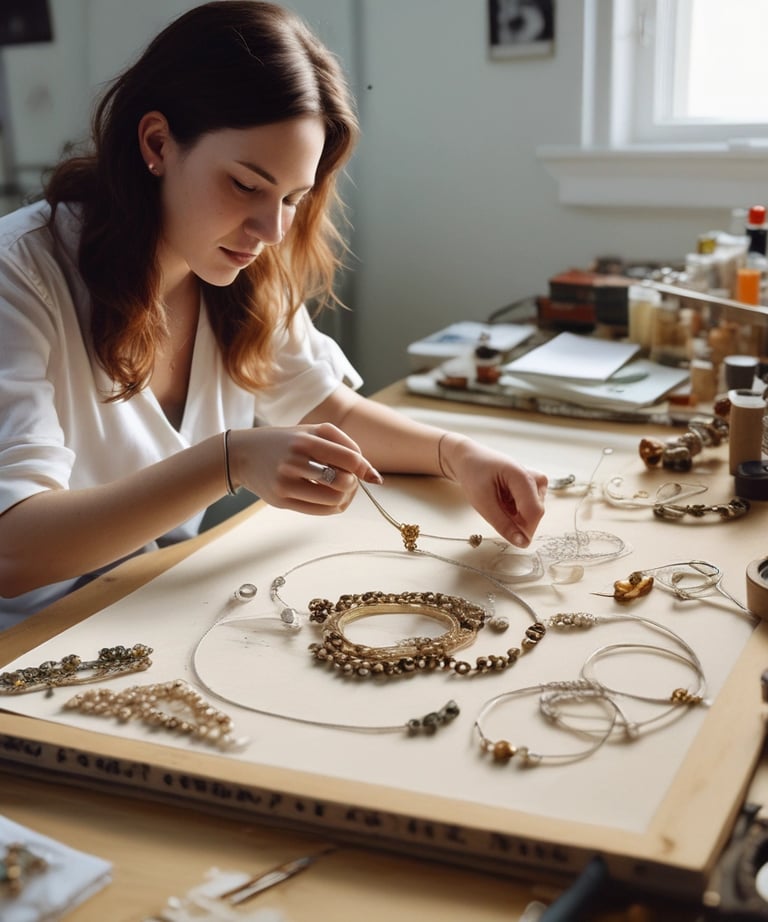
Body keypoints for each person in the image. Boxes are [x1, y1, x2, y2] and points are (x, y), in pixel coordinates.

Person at [0, 1, 547, 629]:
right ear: (156, 143)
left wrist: (460, 456)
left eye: (293, 196)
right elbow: (12, 550)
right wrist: (228, 461)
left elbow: (324, 408)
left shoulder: (236, 268)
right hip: (26, 645)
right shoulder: (18, 276)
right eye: (245, 185)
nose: (271, 229)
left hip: (146, 609)